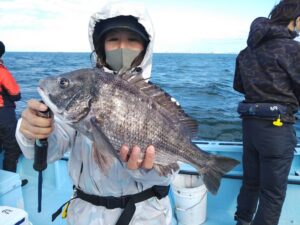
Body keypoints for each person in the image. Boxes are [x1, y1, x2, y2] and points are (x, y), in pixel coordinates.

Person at [16, 2, 175, 225]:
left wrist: (144, 171)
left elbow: (167, 174)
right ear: (101, 47)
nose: (122, 47)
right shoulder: (84, 91)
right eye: (112, 40)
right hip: (84, 215)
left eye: (132, 40)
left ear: (145, 47)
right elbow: (50, 151)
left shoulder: (162, 105)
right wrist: (33, 133)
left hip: (145, 216)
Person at [233, 0, 300, 224]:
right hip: (277, 129)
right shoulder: (294, 50)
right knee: (272, 194)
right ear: (296, 20)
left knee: (251, 182)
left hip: (250, 125)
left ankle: (242, 221)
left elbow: (239, 86)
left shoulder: (246, 51)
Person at [0, 41, 24, 174]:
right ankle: (10, 179)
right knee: (12, 148)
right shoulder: (2, 72)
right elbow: (15, 93)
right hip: (3, 114)